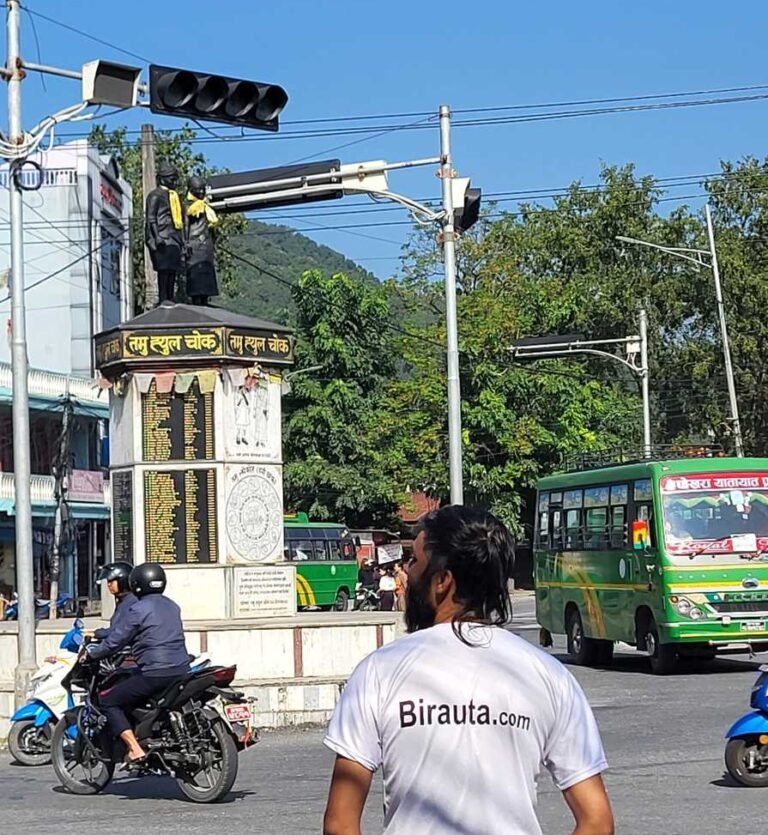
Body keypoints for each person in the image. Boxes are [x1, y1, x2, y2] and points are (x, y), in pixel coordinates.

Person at [323, 505, 613, 835]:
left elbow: (340, 823)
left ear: (442, 581)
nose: (406, 570)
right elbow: (597, 820)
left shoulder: (379, 671)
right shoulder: (549, 675)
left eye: (414, 561)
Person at [86, 562, 191, 764]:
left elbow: (116, 641)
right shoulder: (172, 605)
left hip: (155, 673)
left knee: (108, 699)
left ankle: (134, 749)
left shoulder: (137, 609)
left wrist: (92, 655)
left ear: (135, 583)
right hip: (182, 669)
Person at [145, 161, 184, 304]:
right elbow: (151, 218)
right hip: (162, 236)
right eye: (171, 178)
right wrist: (156, 236)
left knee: (172, 269)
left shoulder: (174, 197)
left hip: (174, 237)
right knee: (164, 269)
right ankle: (163, 297)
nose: (174, 182)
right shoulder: (155, 195)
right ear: (162, 179)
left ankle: (170, 296)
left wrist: (183, 241)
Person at [184, 175, 219, 305]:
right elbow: (185, 225)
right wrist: (185, 242)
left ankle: (205, 301)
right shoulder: (188, 206)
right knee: (195, 278)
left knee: (207, 278)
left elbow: (212, 227)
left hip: (206, 247)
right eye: (198, 189)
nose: (201, 192)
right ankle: (196, 302)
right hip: (193, 245)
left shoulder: (206, 207)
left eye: (203, 189)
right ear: (191, 190)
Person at [93, 562, 136, 641]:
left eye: (111, 581)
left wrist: (97, 633)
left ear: (122, 581)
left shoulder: (131, 603)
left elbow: (120, 631)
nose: (109, 584)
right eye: (108, 582)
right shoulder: (123, 601)